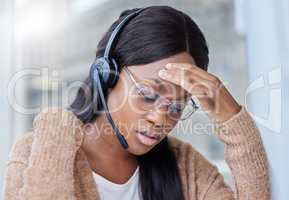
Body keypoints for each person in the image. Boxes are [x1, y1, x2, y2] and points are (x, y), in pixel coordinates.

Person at [3, 5, 270, 200]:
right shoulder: (37, 150)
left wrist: (233, 120)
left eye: (177, 106)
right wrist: (56, 128)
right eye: (148, 94)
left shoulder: (185, 165)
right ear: (107, 75)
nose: (160, 119)